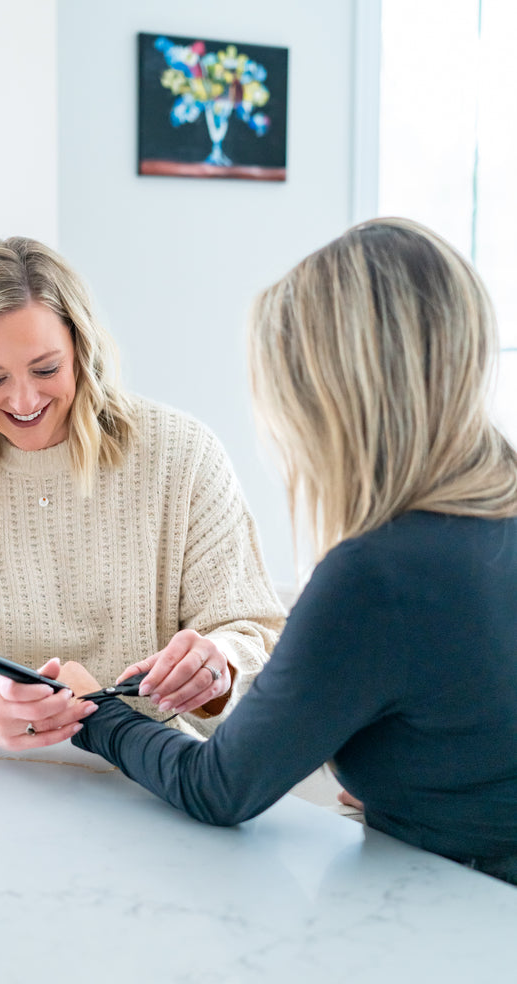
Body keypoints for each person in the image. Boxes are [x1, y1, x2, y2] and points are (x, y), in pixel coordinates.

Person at [64, 218, 517, 886]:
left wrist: (93, 712)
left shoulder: (378, 575)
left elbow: (218, 788)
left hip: (459, 921)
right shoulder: (493, 508)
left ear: (330, 395)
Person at [0, 237, 285, 749]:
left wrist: (216, 665)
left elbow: (251, 631)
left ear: (81, 348)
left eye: (46, 369)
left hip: (153, 771)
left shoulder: (183, 454)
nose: (23, 400)